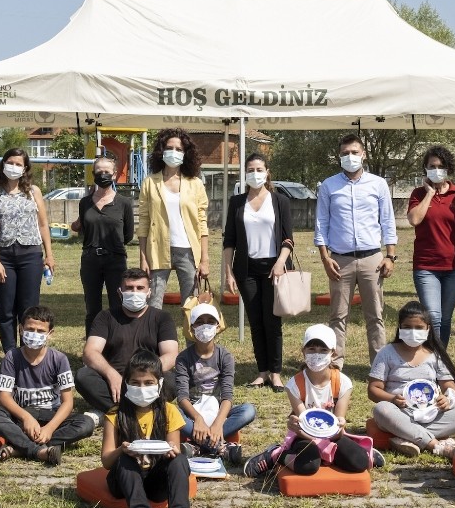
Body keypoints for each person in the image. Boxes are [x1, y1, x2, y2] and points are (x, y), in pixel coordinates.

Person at [98, 353, 205, 508]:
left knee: (180, 460)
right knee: (124, 460)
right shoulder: (115, 414)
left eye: (148, 383)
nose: (142, 388)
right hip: (124, 480)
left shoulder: (168, 411)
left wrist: (170, 451)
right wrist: (122, 450)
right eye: (135, 383)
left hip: (156, 481)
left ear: (159, 383)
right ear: (126, 383)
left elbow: (173, 447)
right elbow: (106, 460)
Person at [244, 324, 377, 479]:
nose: (317, 355)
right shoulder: (295, 384)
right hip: (305, 435)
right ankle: (277, 455)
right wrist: (293, 426)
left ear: (333, 353)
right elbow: (305, 425)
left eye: (323, 350)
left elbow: (339, 425)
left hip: (332, 435)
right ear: (303, 352)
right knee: (308, 465)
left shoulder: (343, 383)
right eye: (311, 349)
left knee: (360, 462)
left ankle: (346, 453)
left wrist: (339, 426)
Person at [314, 133, 398, 362]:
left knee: (376, 316)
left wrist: (391, 256)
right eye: (345, 153)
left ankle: (379, 365)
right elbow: (321, 223)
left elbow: (388, 221)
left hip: (373, 258)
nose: (349, 157)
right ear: (338, 156)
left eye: (354, 152)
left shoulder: (378, 184)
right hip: (340, 260)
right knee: (338, 316)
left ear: (364, 155)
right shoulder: (329, 186)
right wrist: (324, 257)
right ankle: (335, 364)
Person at [0, 305, 96, 464]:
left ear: (50, 334)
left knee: (86, 423)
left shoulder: (59, 359)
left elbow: (68, 402)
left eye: (41, 331)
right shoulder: (12, 357)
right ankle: (40, 451)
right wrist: (26, 417)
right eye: (30, 329)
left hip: (50, 415)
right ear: (21, 329)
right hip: (20, 417)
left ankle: (18, 447)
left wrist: (50, 428)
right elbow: (3, 397)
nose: (34, 334)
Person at [221, 151, 294, 391]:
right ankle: (262, 371)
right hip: (246, 270)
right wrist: (228, 272)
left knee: (272, 322)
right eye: (250, 170)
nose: (255, 174)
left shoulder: (280, 201)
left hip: (275, 269)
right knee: (256, 322)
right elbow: (229, 240)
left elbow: (288, 238)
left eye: (259, 170)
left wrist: (281, 262)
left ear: (267, 173)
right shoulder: (236, 202)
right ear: (245, 174)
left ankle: (275, 373)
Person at [367, 301, 455, 458]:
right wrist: (392, 398)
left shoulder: (435, 355)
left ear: (428, 328)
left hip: (431, 413)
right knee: (381, 409)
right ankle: (436, 445)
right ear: (399, 328)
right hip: (399, 413)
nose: (413, 331)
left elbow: (450, 387)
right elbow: (373, 389)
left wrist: (447, 399)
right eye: (407, 327)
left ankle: (406, 435)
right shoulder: (386, 353)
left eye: (419, 328)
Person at [75, 267, 180, 413]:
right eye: (129, 288)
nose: (134, 292)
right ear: (120, 292)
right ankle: (133, 410)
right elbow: (90, 352)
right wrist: (112, 375)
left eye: (140, 288)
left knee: (173, 380)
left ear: (148, 292)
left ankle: (118, 410)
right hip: (113, 381)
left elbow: (171, 354)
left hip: (148, 380)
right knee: (83, 376)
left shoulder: (162, 318)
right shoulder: (105, 317)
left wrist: (140, 376)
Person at [0, 147, 54, 354]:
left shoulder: (33, 192)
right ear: (3, 164)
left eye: (18, 164)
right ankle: (9, 353)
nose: (13, 167)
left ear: (25, 169)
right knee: (6, 309)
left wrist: (49, 254)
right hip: (5, 256)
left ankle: (27, 351)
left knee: (28, 308)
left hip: (30, 255)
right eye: (10, 162)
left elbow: (43, 224)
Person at [138, 128, 210, 309]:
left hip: (188, 251)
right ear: (161, 151)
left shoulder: (195, 183)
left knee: (191, 305)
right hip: (157, 248)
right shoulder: (149, 182)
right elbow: (144, 222)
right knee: (153, 303)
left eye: (179, 149)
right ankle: (153, 338)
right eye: (169, 148)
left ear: (186, 154)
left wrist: (204, 259)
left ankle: (193, 339)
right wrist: (143, 257)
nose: (174, 152)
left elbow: (202, 223)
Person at [173, 304, 255, 462]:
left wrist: (218, 424)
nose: (205, 326)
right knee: (170, 412)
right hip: (193, 414)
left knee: (248, 410)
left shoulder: (225, 356)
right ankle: (219, 447)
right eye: (199, 322)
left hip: (218, 413)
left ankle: (199, 446)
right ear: (192, 327)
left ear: (218, 327)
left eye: (210, 321)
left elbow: (227, 396)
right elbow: (182, 397)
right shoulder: (183, 358)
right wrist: (197, 419)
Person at [407, 144, 455, 347]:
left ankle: (440, 358)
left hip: (454, 267)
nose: (436, 170)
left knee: (445, 318)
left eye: (441, 166)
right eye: (432, 166)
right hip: (426, 267)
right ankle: (432, 356)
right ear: (425, 169)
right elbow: (414, 219)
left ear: (448, 169)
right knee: (433, 316)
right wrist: (429, 194)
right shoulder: (418, 194)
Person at [73, 154, 133, 335]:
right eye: (99, 171)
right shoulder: (85, 203)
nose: (103, 175)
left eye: (107, 171)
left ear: (114, 174)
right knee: (92, 308)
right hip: (90, 259)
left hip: (115, 260)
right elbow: (82, 228)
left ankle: (116, 345)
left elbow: (128, 235)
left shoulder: (124, 203)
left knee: (117, 305)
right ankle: (93, 346)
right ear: (93, 174)